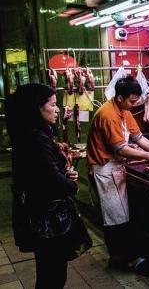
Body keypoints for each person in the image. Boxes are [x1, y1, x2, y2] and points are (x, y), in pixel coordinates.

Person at [6, 83, 84, 288]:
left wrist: (65, 173)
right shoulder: (35, 138)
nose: (57, 109)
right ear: (37, 108)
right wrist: (71, 185)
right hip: (46, 217)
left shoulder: (30, 134)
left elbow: (43, 172)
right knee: (53, 275)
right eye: (52, 104)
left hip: (39, 213)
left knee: (49, 272)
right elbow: (50, 179)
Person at [86, 76, 149, 270]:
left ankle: (127, 255)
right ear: (120, 97)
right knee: (115, 217)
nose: (134, 104)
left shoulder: (124, 111)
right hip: (105, 169)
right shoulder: (107, 115)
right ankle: (120, 259)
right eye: (131, 101)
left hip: (116, 168)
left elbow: (138, 138)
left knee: (122, 215)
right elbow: (120, 149)